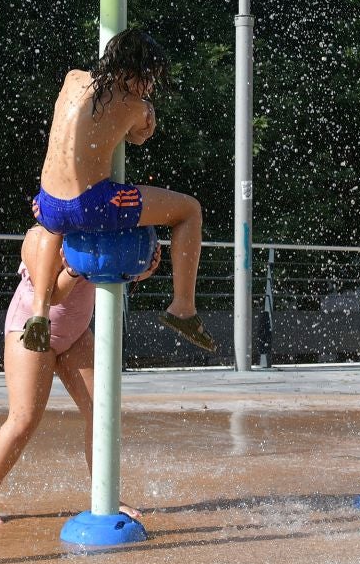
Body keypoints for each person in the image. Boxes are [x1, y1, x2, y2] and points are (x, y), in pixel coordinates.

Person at [20, 28, 215, 354]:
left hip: (46, 205)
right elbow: (139, 137)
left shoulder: (72, 78)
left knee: (57, 223)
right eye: (147, 78)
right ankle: (183, 307)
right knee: (189, 210)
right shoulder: (135, 105)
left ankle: (40, 312)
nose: (149, 87)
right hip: (93, 204)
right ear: (128, 72)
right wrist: (144, 111)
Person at [0, 226, 160, 526]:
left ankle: (107, 496)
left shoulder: (96, 233)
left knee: (103, 414)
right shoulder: (39, 239)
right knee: (23, 419)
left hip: (76, 333)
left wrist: (139, 271)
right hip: (32, 329)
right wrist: (72, 268)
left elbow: (112, 277)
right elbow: (52, 297)